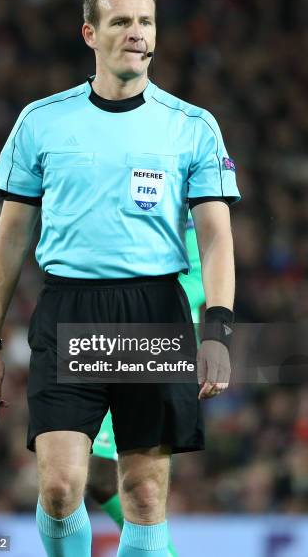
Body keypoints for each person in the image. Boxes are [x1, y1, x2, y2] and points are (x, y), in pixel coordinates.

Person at [0, 0, 240, 557]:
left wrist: (217, 327)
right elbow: (10, 236)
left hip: (154, 313)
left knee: (144, 496)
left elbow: (217, 238)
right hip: (71, 307)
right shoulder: (41, 121)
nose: (136, 33)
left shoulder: (191, 125)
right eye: (121, 21)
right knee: (62, 486)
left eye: (146, 21)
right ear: (90, 33)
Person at [88, 213, 205, 557]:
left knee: (113, 472)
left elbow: (206, 268)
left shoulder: (186, 182)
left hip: (159, 330)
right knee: (101, 472)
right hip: (120, 327)